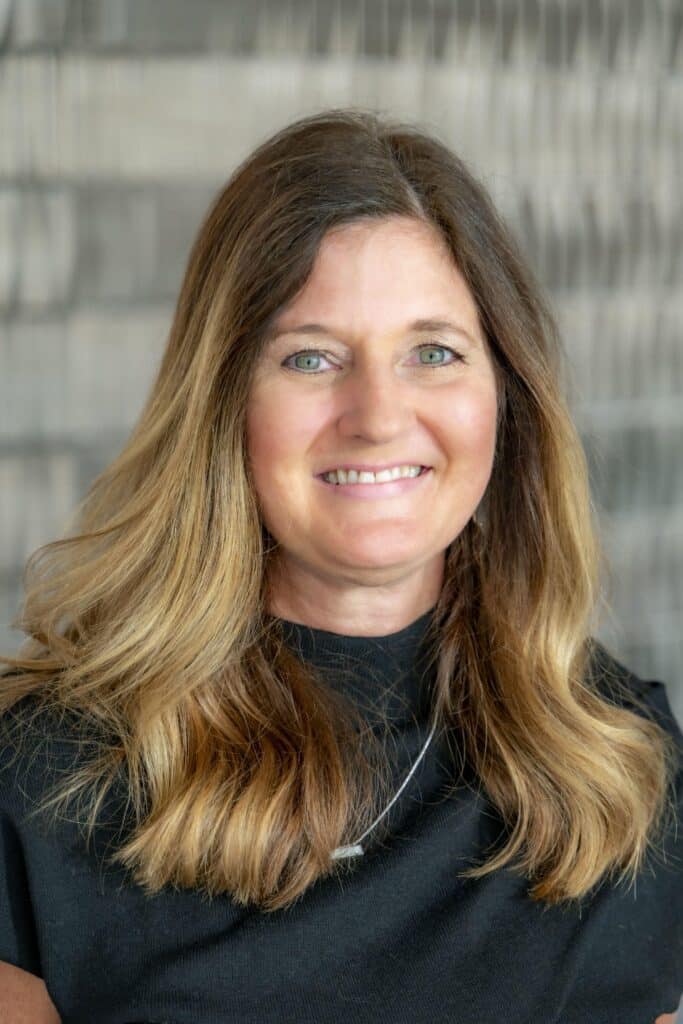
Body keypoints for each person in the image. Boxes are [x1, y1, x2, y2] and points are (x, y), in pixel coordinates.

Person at [0, 108, 681, 1024]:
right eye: (312, 357)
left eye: (432, 352)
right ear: (223, 401)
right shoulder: (50, 774)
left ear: (506, 399)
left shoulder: (620, 770)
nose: (377, 415)